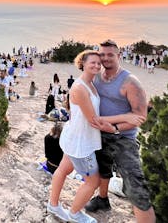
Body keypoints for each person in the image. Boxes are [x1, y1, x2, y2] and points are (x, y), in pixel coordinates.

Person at [87, 39, 155, 223]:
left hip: (123, 138)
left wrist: (115, 127)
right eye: (102, 55)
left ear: (119, 56)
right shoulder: (97, 76)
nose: (106, 58)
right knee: (102, 169)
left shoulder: (130, 82)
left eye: (110, 55)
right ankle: (102, 199)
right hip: (99, 134)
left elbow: (140, 116)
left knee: (135, 186)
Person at [47, 50, 103, 223]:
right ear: (83, 64)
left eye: (98, 63)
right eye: (92, 62)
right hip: (81, 142)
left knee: (64, 169)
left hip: (75, 135)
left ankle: (53, 204)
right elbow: (93, 120)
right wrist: (119, 126)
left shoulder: (91, 83)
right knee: (93, 181)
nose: (96, 65)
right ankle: (75, 213)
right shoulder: (79, 87)